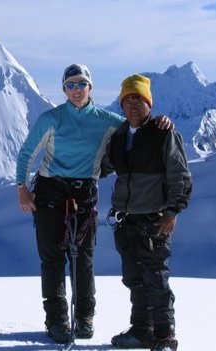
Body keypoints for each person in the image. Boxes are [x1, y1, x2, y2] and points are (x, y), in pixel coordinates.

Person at [16, 64, 171, 344]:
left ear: (90, 88)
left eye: (81, 84)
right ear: (64, 89)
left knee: (84, 260)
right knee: (52, 259)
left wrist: (161, 122)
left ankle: (85, 318)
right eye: (71, 85)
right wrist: (21, 189)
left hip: (84, 192)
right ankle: (57, 320)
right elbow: (26, 153)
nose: (76, 90)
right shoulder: (51, 118)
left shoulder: (108, 121)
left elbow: (137, 125)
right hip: (50, 191)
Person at [104, 74, 192, 351]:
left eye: (139, 100)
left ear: (149, 104)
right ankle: (142, 331)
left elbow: (180, 176)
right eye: (128, 100)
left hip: (154, 220)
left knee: (156, 280)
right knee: (134, 279)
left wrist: (172, 211)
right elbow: (103, 167)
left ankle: (165, 337)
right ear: (121, 105)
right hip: (125, 220)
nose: (132, 105)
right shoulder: (117, 137)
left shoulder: (164, 133)